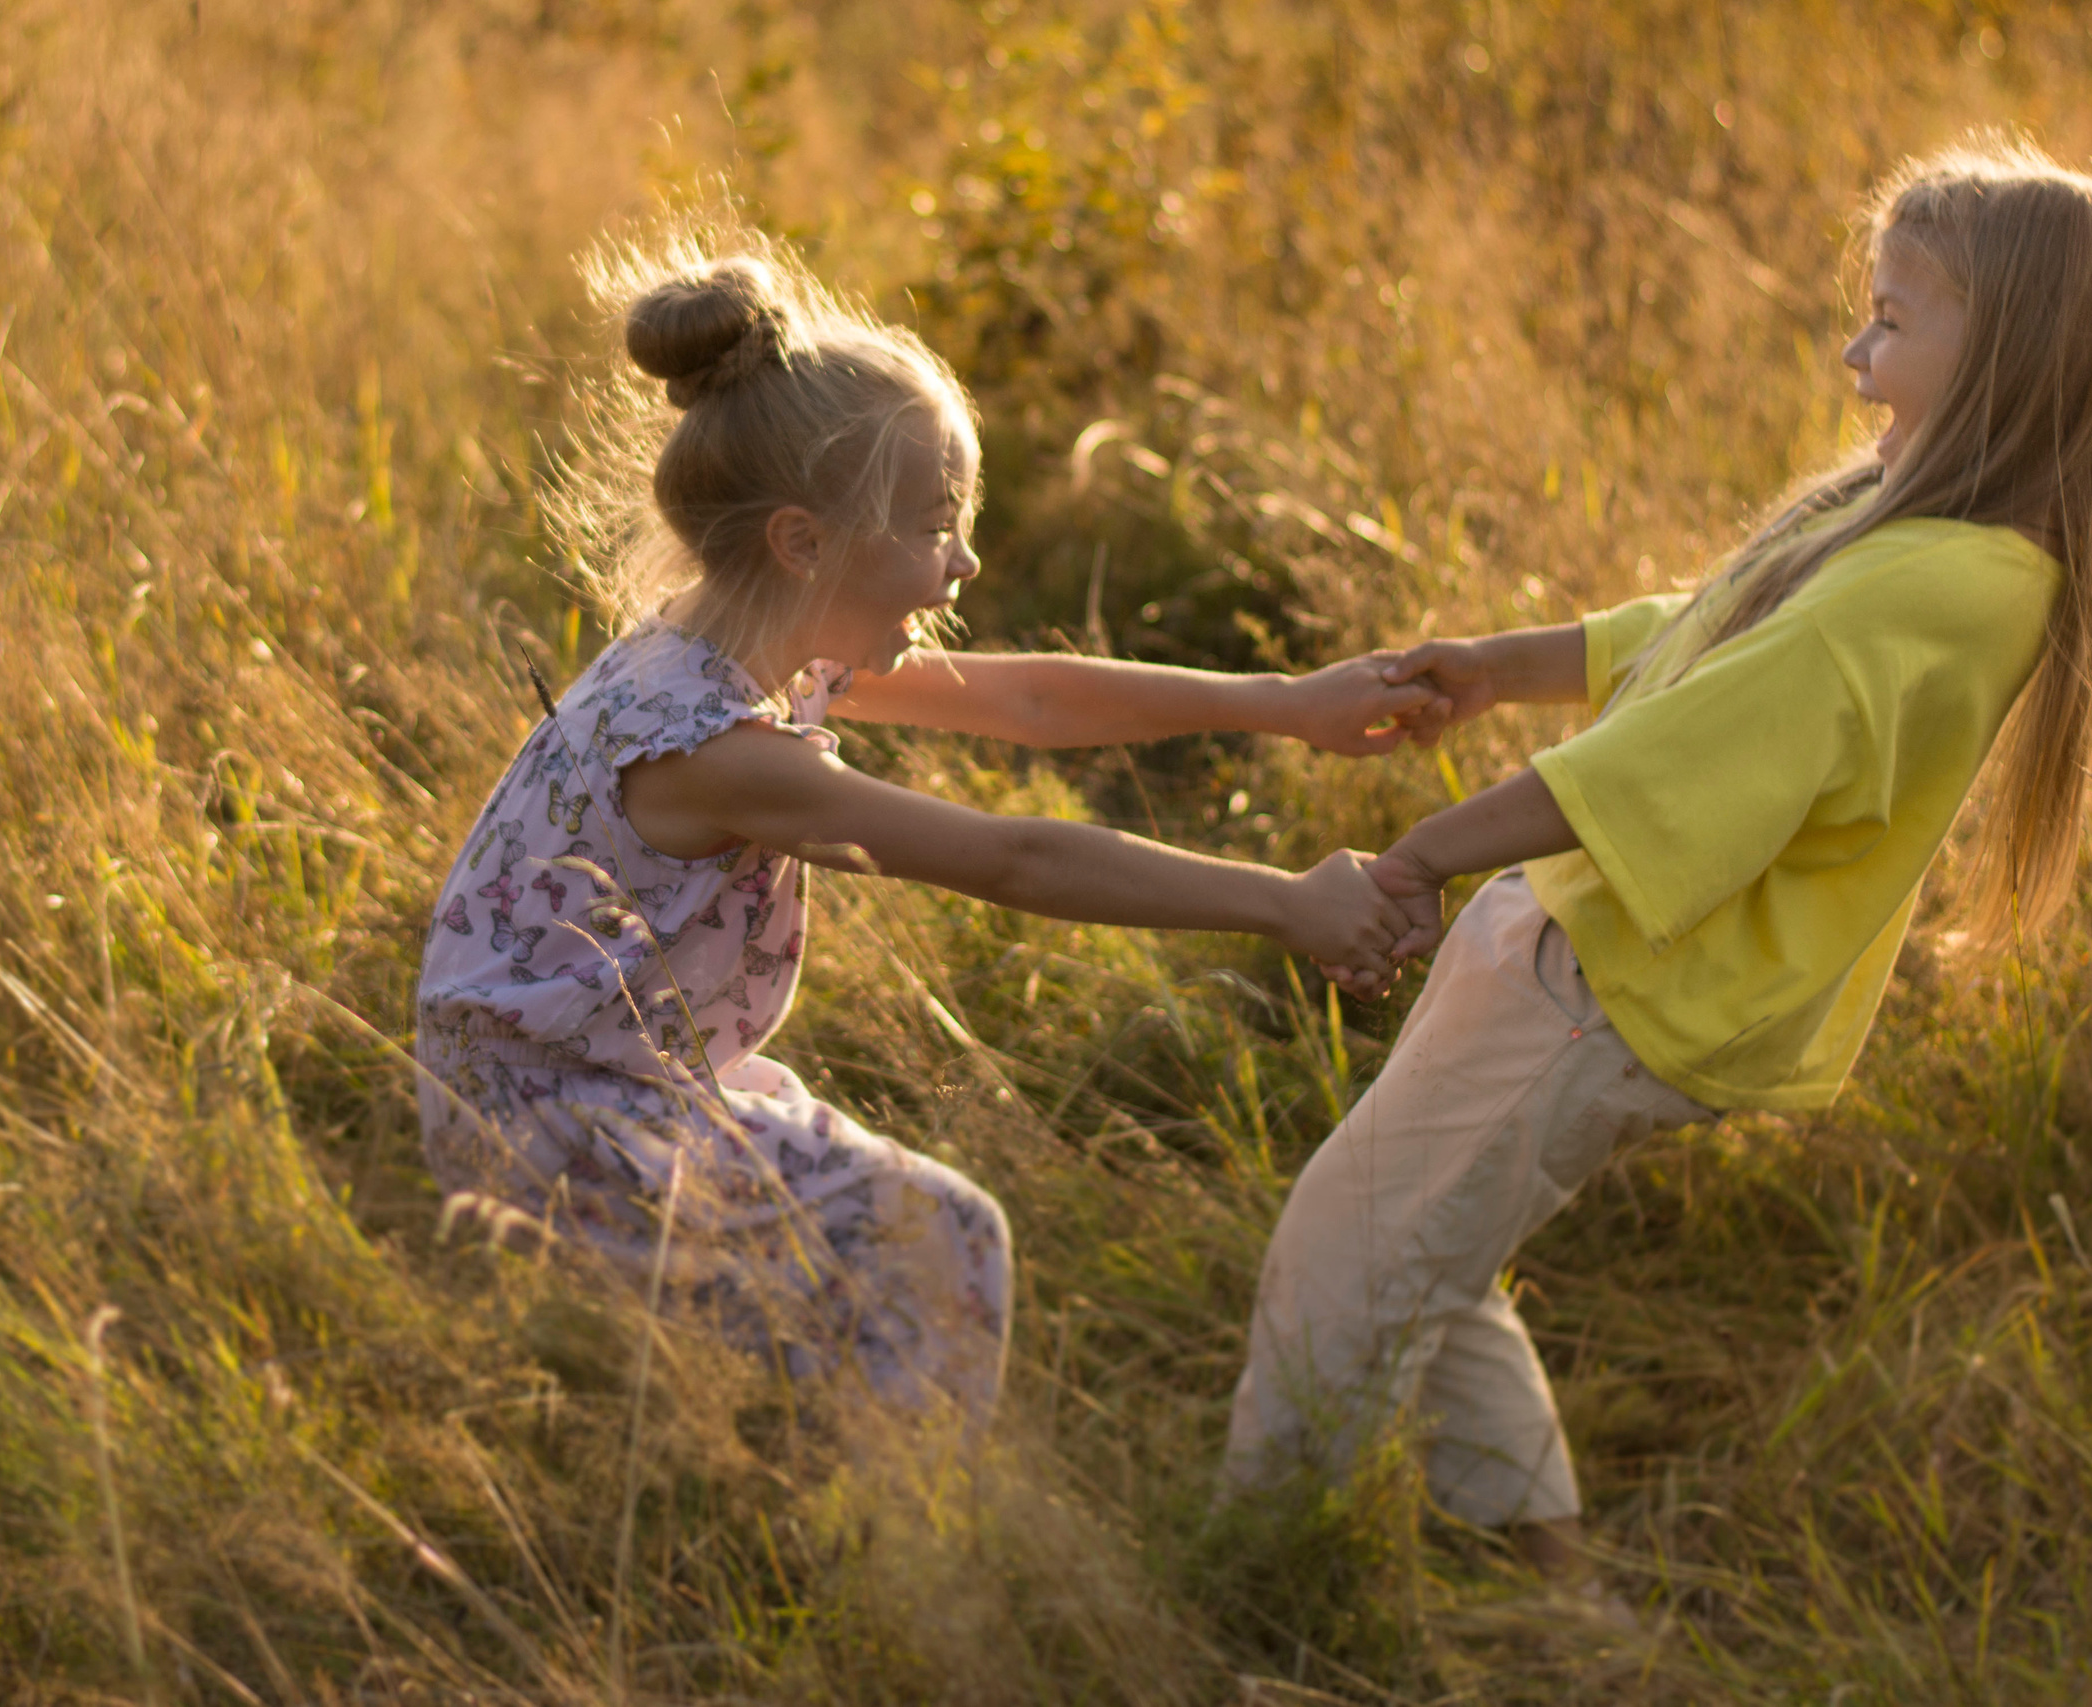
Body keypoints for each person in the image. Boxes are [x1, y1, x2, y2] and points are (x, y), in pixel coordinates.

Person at [1223, 137, 2092, 1589]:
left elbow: (1679, 760)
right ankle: (1561, 1598)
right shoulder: (1908, 515)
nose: (1857, 355)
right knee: (1421, 1251)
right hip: (1575, 951)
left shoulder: (1954, 582)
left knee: (1345, 1257)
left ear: (2012, 354)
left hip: (1605, 980)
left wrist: (1414, 859)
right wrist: (1499, 665)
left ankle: (1251, 1572)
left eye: (1894, 323)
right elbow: (1712, 620)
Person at [414, 241, 1438, 1431]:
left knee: (819, 1286)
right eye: (936, 525)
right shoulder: (716, 747)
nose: (964, 562)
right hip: (558, 1120)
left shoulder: (731, 642)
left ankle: (750, 1477)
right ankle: (904, 1550)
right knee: (937, 1239)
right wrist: (1282, 900)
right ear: (804, 542)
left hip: (599, 1079)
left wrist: (1287, 705)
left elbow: (1027, 701)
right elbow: (1013, 859)